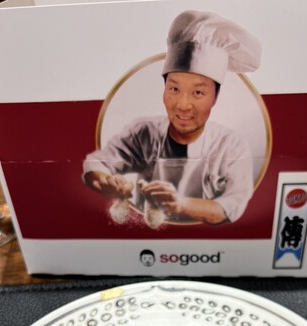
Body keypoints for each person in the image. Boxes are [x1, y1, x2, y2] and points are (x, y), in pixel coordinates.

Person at [83, 10, 261, 225]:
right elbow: (97, 164)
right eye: (174, 89)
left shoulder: (231, 146)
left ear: (215, 97)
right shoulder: (144, 133)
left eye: (198, 92)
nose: (183, 105)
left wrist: (180, 204)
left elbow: (232, 205)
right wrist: (106, 182)